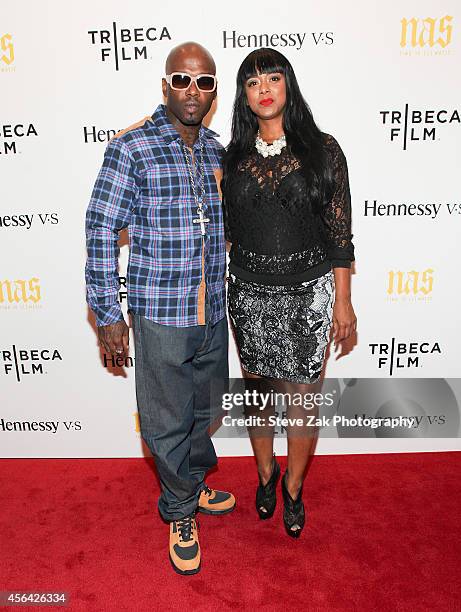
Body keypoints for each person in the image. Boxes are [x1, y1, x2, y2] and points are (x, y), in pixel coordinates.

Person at [85, 42, 235, 576]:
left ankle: (191, 484)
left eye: (205, 82)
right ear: (165, 85)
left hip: (212, 312)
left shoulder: (219, 151)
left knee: (205, 412)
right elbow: (101, 227)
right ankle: (179, 510)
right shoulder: (132, 148)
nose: (193, 91)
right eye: (182, 79)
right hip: (161, 314)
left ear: (214, 93)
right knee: (166, 421)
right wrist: (107, 313)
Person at [222, 48, 356, 538]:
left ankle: (293, 489)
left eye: (272, 78)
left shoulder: (324, 150)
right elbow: (226, 232)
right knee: (257, 396)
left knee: (302, 401)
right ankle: (265, 473)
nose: (263, 88)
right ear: (244, 96)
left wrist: (343, 301)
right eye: (253, 82)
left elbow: (339, 235)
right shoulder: (232, 158)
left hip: (310, 294)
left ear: (287, 86)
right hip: (250, 293)